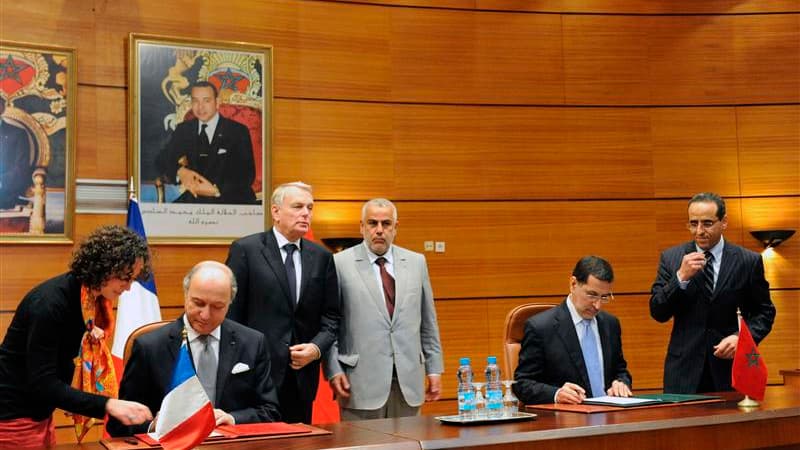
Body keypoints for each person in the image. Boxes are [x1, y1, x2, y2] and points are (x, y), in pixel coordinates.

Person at [0, 225, 154, 448]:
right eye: (124, 277)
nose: (129, 287)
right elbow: (43, 383)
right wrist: (108, 404)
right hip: (13, 416)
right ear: (104, 267)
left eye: (133, 279)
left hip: (40, 413)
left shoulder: (88, 299)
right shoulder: (50, 304)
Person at [107, 261, 280, 437]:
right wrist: (154, 425)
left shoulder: (252, 342)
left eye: (217, 307)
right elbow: (118, 425)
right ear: (185, 295)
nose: (205, 315)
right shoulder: (150, 347)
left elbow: (270, 412)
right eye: (198, 303)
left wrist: (232, 418)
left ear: (230, 303)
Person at [226, 181, 339, 423]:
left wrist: (316, 349)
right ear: (275, 212)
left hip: (301, 377)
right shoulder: (246, 250)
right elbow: (231, 315)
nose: (306, 213)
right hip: (256, 375)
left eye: (310, 207)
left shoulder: (322, 257)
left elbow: (332, 317)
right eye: (298, 206)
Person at [323, 198, 443, 420]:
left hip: (408, 381)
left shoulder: (417, 262)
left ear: (395, 227)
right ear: (362, 227)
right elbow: (329, 324)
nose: (379, 230)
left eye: (386, 224)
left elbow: (428, 321)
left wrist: (434, 369)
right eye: (372, 223)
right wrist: (333, 369)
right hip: (359, 383)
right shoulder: (339, 263)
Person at [649, 192, 776, 394]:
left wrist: (740, 338)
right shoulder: (671, 258)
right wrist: (680, 277)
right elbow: (658, 311)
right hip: (683, 371)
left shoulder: (747, 261)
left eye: (707, 223)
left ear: (723, 222)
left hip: (729, 369)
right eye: (693, 223)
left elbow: (764, 312)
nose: (699, 231)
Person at [513, 256, 632, 405]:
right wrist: (556, 394)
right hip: (567, 420)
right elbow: (522, 384)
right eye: (592, 295)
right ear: (573, 284)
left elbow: (620, 370)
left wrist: (621, 382)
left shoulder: (610, 324)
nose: (597, 305)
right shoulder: (541, 328)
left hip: (610, 416)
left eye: (604, 297)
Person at [158, 81, 256, 204]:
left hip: (231, 199)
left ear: (217, 102)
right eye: (195, 101)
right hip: (194, 199)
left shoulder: (237, 131)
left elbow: (247, 175)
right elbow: (162, 159)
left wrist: (215, 190)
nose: (200, 107)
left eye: (206, 101)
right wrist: (180, 172)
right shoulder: (184, 129)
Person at [0, 101, 32, 210]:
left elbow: (21, 168)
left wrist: (1, 181)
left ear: (2, 108)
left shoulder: (18, 134)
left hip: (5, 192)